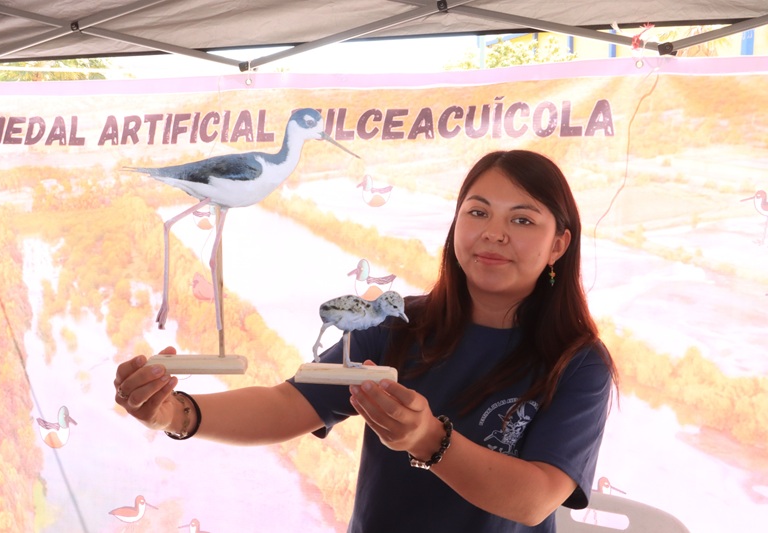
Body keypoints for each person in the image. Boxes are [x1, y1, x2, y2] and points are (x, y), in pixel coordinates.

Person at [114, 149, 618, 533]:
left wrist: (428, 439)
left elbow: (534, 500)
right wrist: (175, 414)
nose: (494, 233)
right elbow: (289, 405)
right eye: (478, 212)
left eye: (522, 219)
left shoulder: (577, 362)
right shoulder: (399, 325)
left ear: (558, 245)